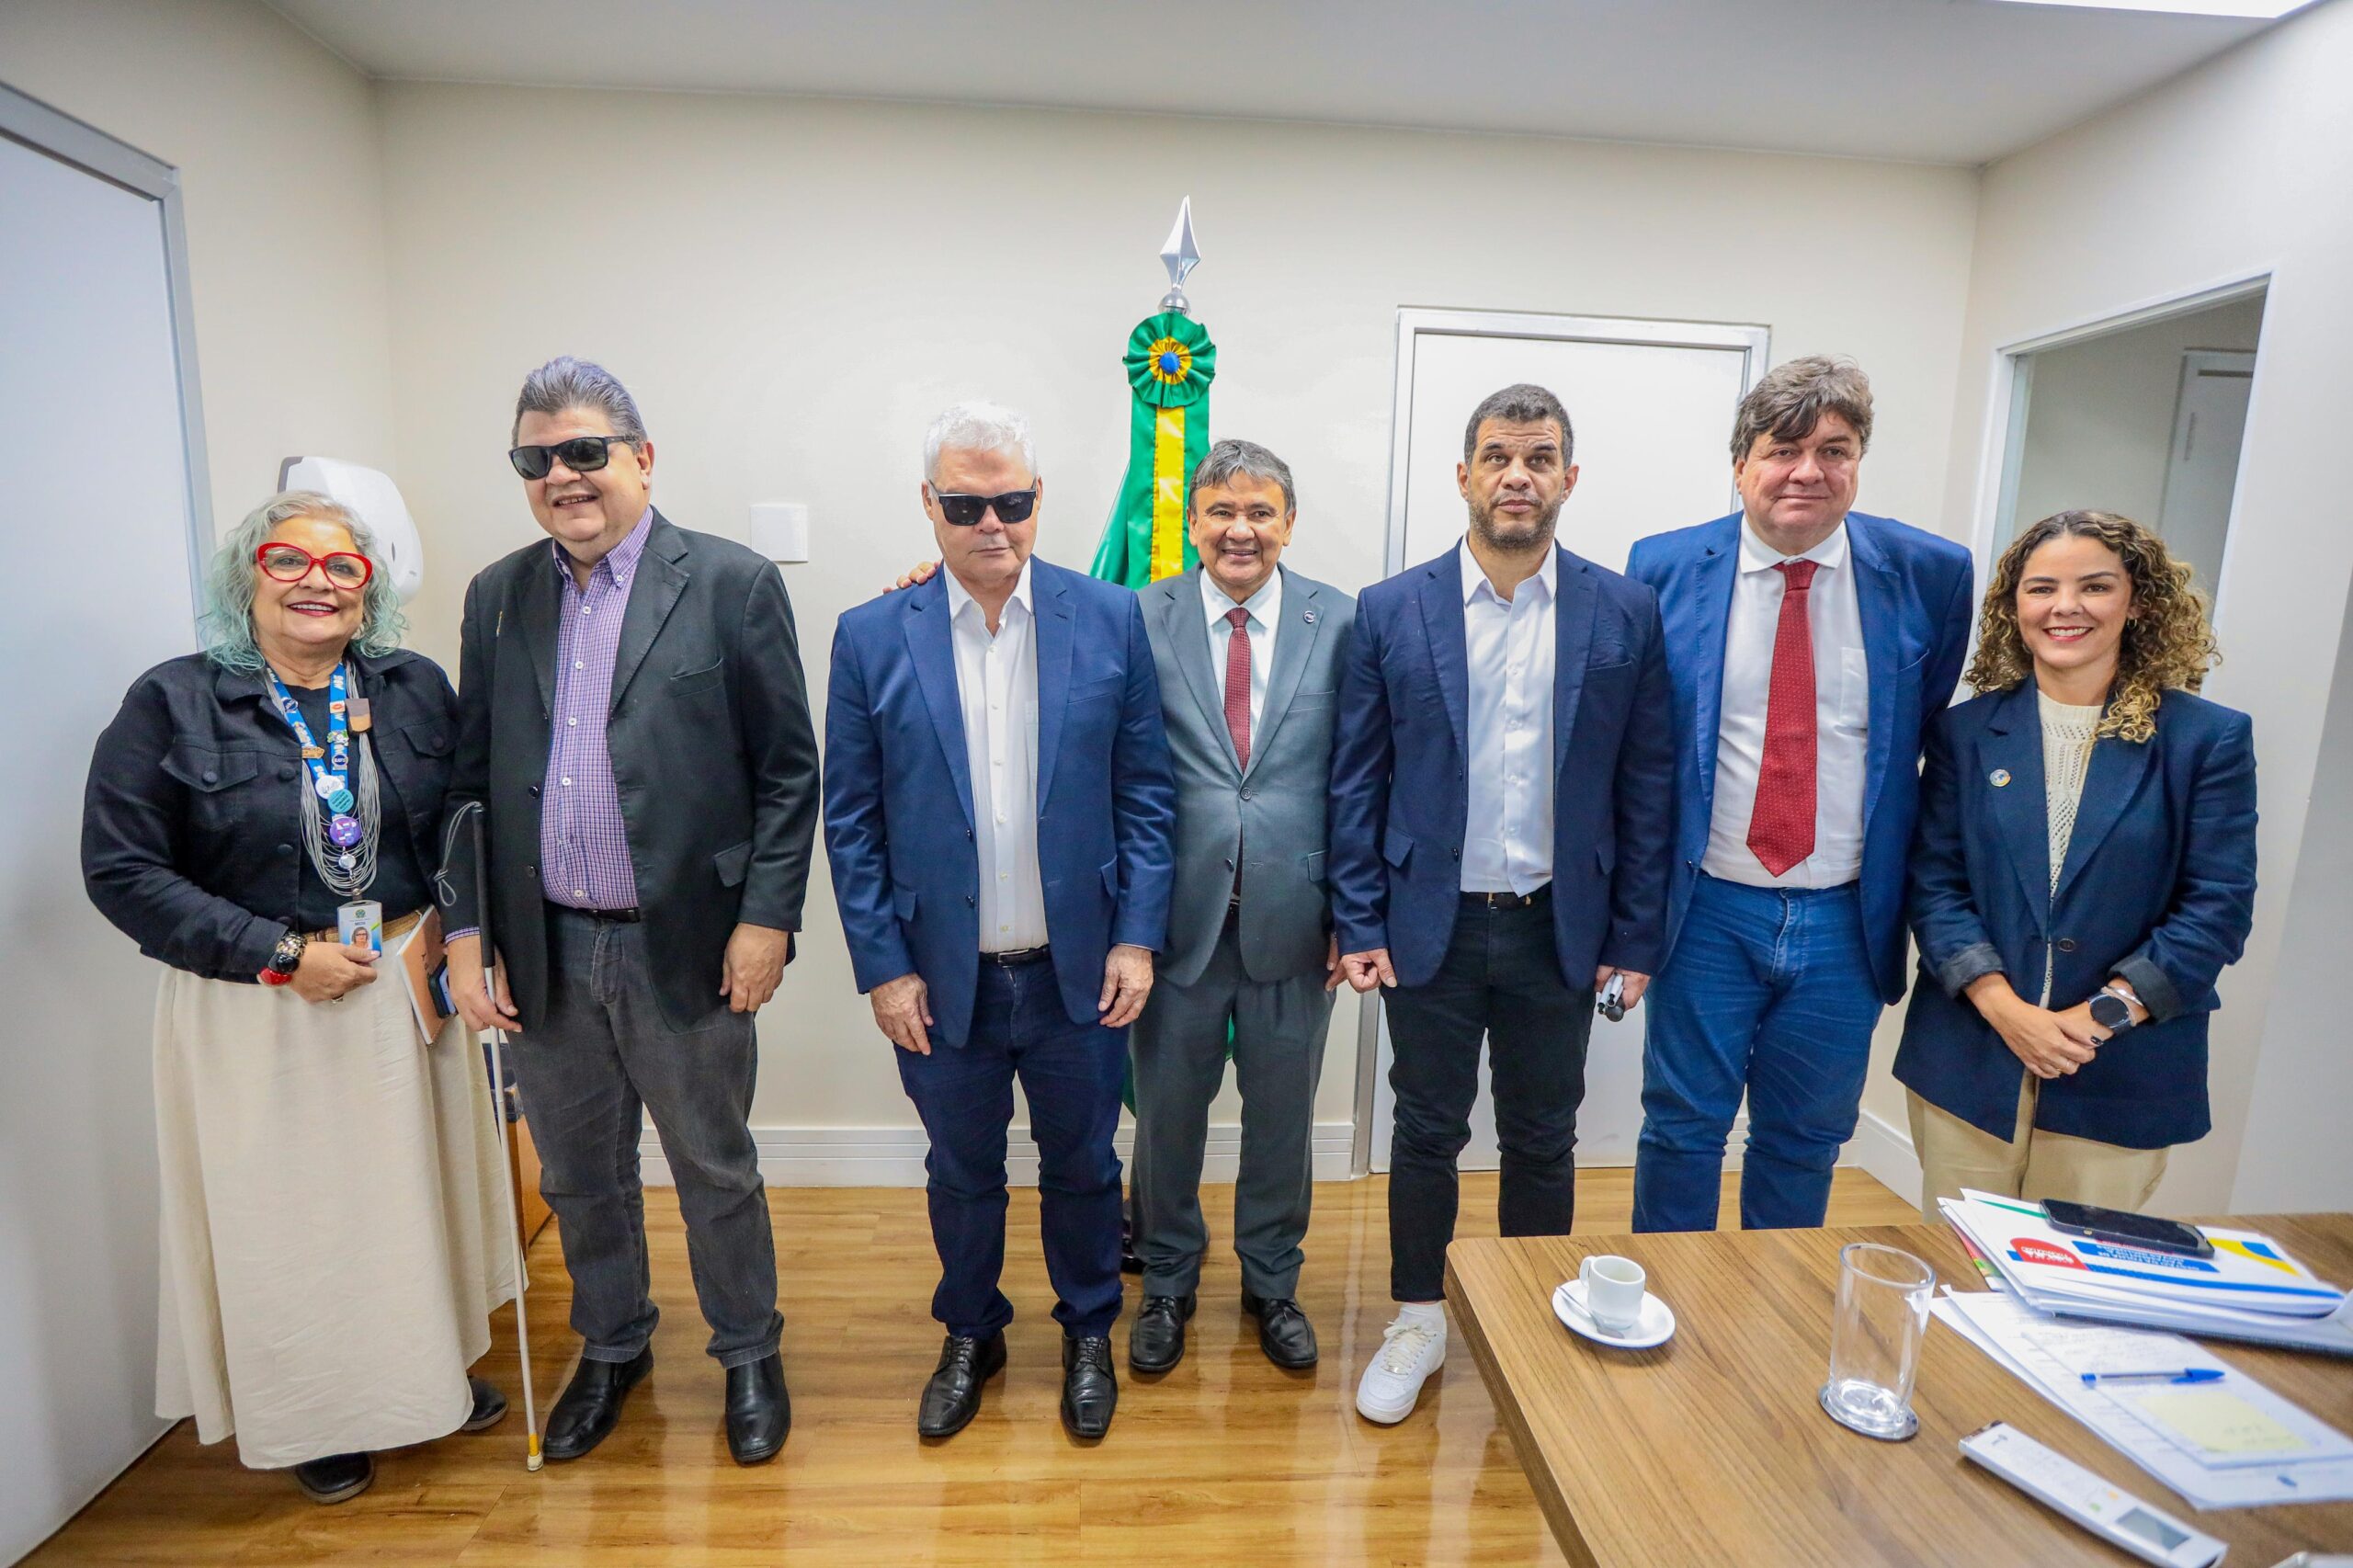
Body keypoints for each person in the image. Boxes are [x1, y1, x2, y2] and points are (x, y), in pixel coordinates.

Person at [82, 492, 512, 1506]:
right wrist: (277, 951)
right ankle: (318, 1412)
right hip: (260, 1003)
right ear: (248, 577)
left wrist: (463, 941)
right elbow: (121, 869)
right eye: (288, 559)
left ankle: (425, 1376)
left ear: (369, 589)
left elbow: (464, 826)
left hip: (401, 988)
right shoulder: (172, 701)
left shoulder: (411, 688)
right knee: (298, 1224)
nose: (317, 580)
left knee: (411, 1207)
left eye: (343, 565)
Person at [442, 357, 819, 1466]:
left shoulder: (732, 583)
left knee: (713, 1163)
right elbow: (468, 783)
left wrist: (767, 918)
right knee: (577, 1175)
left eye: (584, 451)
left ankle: (748, 1349)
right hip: (546, 946)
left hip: (689, 943)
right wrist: (470, 935)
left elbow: (789, 772)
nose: (562, 475)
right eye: (537, 458)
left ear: (641, 459)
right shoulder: (496, 596)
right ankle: (613, 1345)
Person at [823, 401, 1176, 1440]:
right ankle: (970, 1328)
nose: (992, 523)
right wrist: (883, 966)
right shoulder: (869, 634)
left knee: (1083, 1167)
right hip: (941, 978)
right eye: (967, 503)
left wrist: (1135, 935)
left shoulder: (1108, 618)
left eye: (1011, 502)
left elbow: (1146, 793)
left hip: (1079, 972)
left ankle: (1086, 1329)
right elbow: (850, 820)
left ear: (1037, 501)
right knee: (963, 1170)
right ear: (929, 506)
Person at [1329, 383, 1674, 1426]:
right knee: (1425, 1126)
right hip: (1426, 921)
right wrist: (1357, 918)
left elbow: (1647, 781)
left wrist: (1635, 935)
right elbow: (1356, 776)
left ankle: (1530, 1321)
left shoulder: (1624, 610)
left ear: (1568, 477)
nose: (1516, 474)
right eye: (1496, 456)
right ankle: (1418, 1318)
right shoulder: (1391, 607)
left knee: (1541, 1132)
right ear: (1465, 475)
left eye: (1538, 456)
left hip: (1555, 924)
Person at [1627, 356, 1974, 1234]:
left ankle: (1771, 1331)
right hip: (1707, 906)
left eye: (1836, 449)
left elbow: (1921, 733)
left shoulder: (1930, 573)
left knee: (1807, 1137)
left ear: (1859, 462)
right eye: (1784, 450)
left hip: (1846, 917)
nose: (1808, 471)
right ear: (1742, 464)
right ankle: (1666, 1317)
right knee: (1682, 1129)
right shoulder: (1661, 568)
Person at [1895, 510, 2255, 1217]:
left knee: (2080, 1292)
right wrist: (2007, 1012)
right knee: (1967, 1276)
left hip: (2118, 1070)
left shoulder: (2205, 740)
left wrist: (2093, 1022)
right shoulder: (1964, 733)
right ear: (2013, 608)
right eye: (2041, 589)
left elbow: (2217, 907)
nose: (2065, 607)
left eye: (2094, 586)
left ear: (2139, 602)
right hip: (1971, 1063)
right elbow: (1935, 887)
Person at [1126, 440, 1354, 1375]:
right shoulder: (1138, 615)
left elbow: (1362, 775)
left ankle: (1271, 1280)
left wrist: (1356, 909)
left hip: (1297, 918)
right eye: (1221, 510)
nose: (1240, 530)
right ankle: (1169, 1276)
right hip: (1173, 919)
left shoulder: (1342, 620)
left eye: (1259, 512)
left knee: (1281, 1121)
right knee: (1166, 1116)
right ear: (1193, 523)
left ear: (1288, 524)